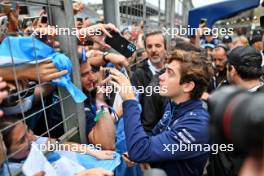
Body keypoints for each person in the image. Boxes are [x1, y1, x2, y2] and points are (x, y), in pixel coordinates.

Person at [104, 49, 213, 176]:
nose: (161, 77)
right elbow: (151, 142)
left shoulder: (197, 125)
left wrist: (129, 100)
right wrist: (145, 156)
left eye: (170, 73)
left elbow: (140, 150)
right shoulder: (173, 105)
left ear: (187, 86)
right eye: (165, 70)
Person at [130, 30, 167, 131]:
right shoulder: (138, 74)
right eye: (149, 46)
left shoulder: (173, 70)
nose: (153, 50)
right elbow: (135, 108)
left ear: (165, 48)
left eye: (158, 46)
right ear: (145, 49)